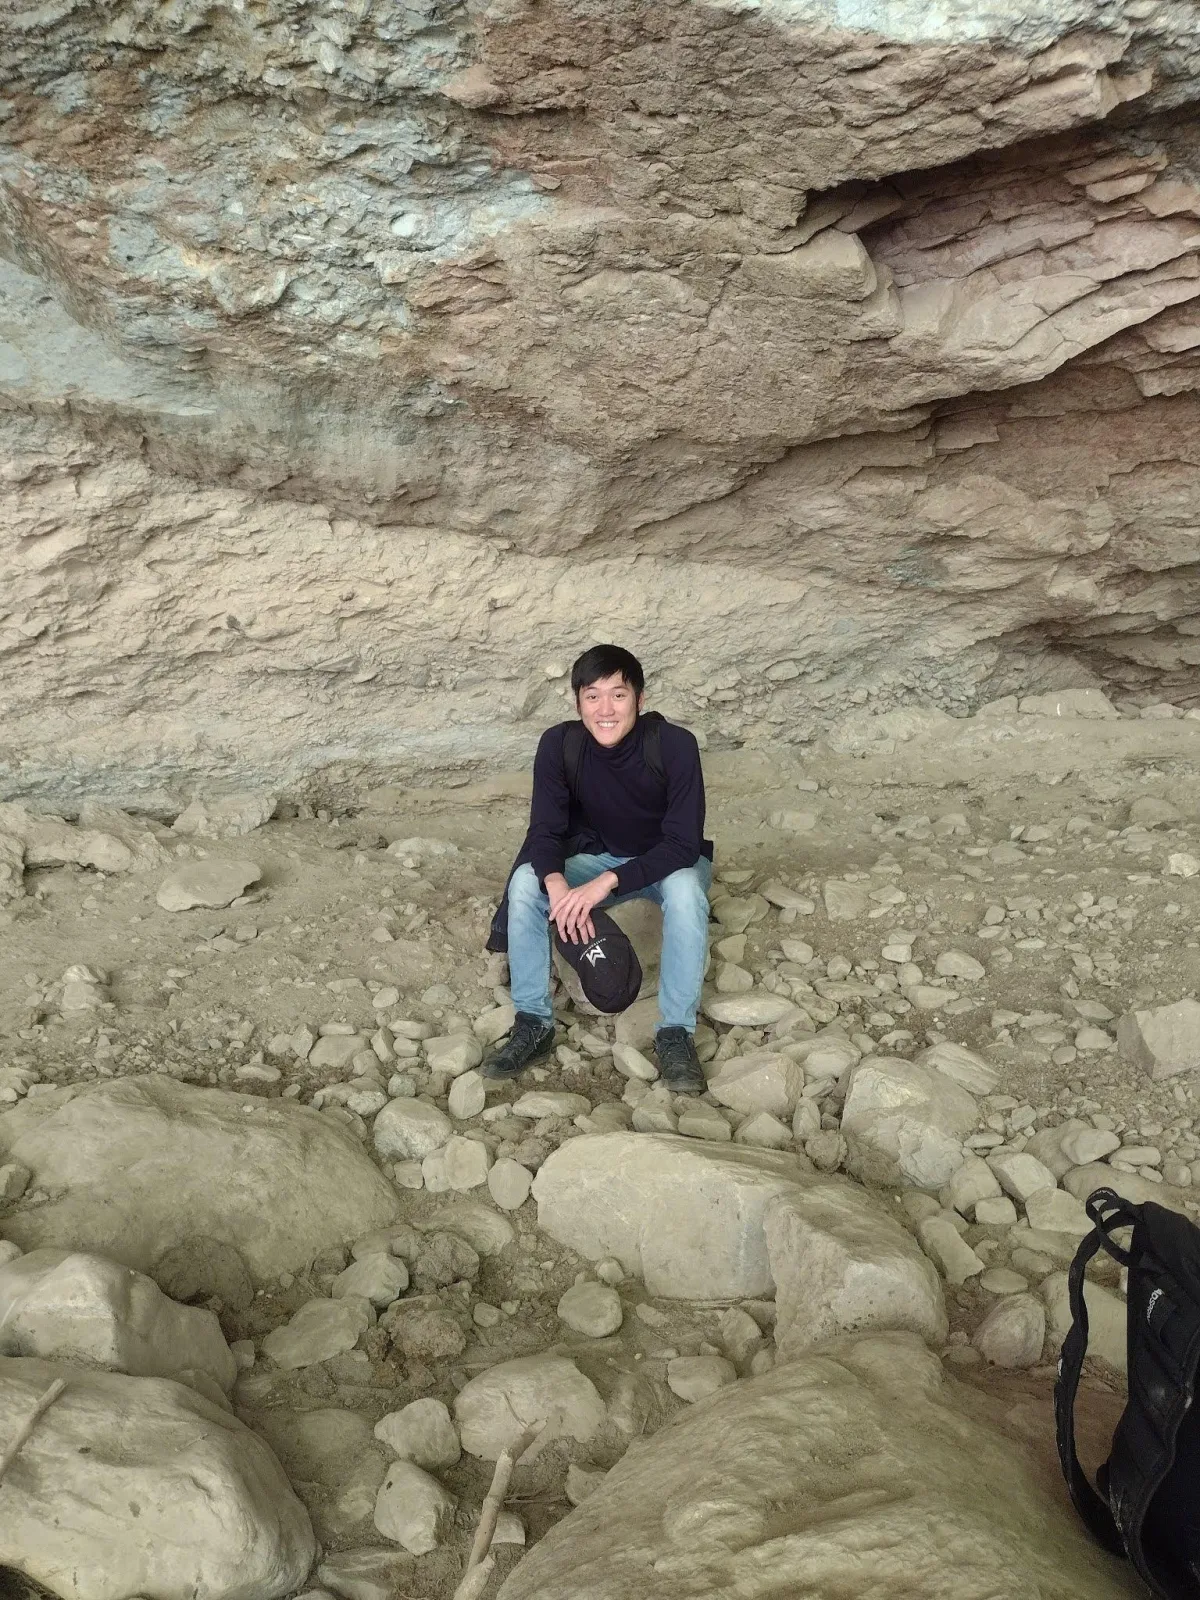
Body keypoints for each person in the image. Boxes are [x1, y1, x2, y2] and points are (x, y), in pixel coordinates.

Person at [483, 644, 714, 1092]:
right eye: (593, 696)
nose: (605, 709)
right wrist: (556, 881)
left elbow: (683, 844)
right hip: (603, 855)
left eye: (618, 695)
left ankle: (675, 1034)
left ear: (640, 700)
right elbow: (545, 831)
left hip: (667, 863)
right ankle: (534, 1022)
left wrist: (604, 885)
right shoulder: (559, 744)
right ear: (578, 703)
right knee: (528, 882)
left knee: (686, 892)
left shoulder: (676, 746)